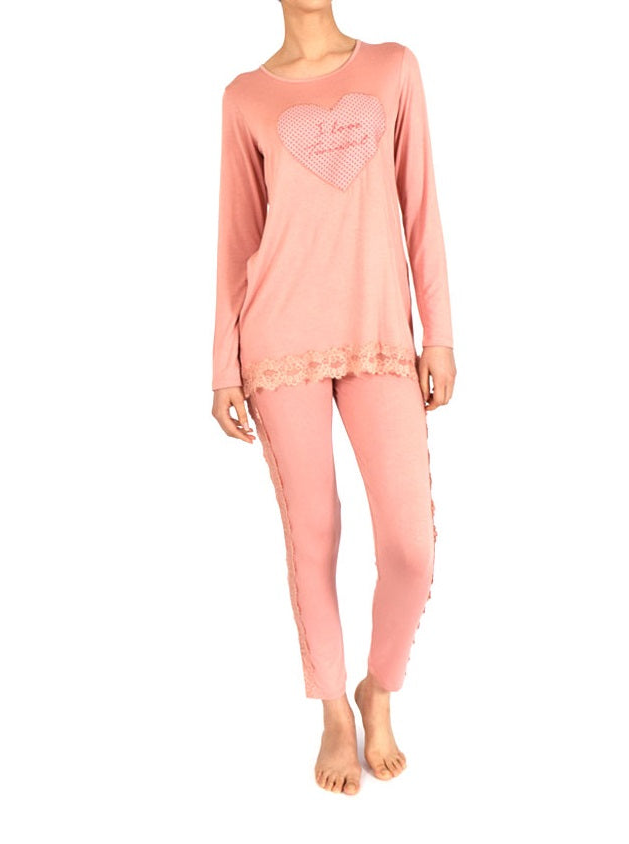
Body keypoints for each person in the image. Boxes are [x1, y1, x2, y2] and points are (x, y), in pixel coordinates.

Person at [210, 0, 456, 796]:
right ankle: (333, 714)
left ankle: (378, 687)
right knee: (313, 534)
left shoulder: (392, 68)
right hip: (278, 344)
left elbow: (421, 207)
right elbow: (237, 238)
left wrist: (440, 333)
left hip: (378, 334)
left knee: (411, 548)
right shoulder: (246, 97)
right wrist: (222, 366)